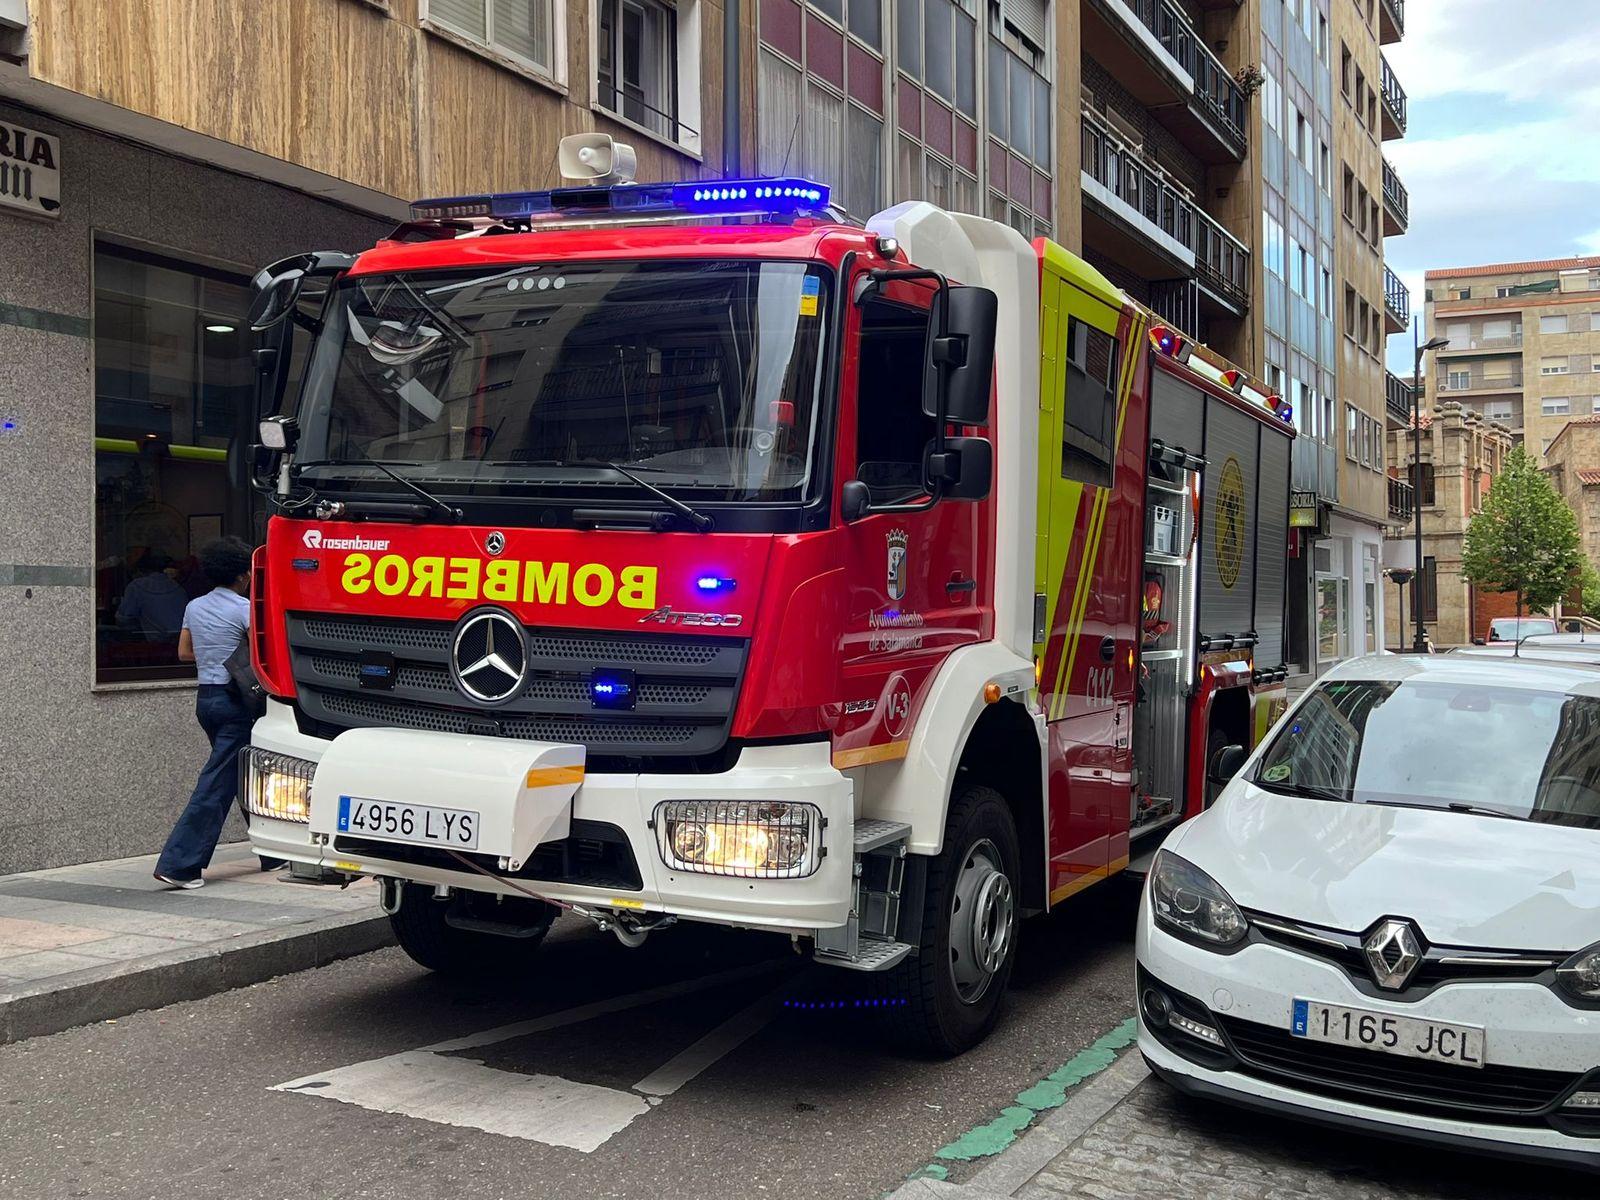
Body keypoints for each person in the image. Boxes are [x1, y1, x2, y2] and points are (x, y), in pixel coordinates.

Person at [153, 536, 256, 889]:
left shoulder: (194, 606)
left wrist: (213, 656)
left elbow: (184, 652)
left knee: (239, 771)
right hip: (236, 701)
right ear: (243, 575)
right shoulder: (245, 610)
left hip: (206, 699)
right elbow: (260, 656)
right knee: (218, 781)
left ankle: (273, 853)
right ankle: (181, 863)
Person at [115, 551, 187, 644]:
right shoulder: (177, 587)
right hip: (180, 644)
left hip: (155, 646)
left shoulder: (136, 586)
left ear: (139, 570)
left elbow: (123, 619)